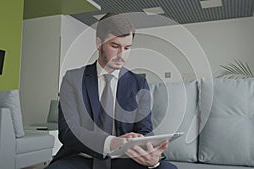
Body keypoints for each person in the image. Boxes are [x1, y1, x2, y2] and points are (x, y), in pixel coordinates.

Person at [46, 12, 177, 169]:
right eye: (115, 46)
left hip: (125, 158)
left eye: (127, 47)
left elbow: (145, 130)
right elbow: (68, 132)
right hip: (81, 157)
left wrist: (146, 149)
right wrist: (111, 142)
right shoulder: (73, 79)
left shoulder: (139, 83)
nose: (121, 55)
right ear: (99, 43)